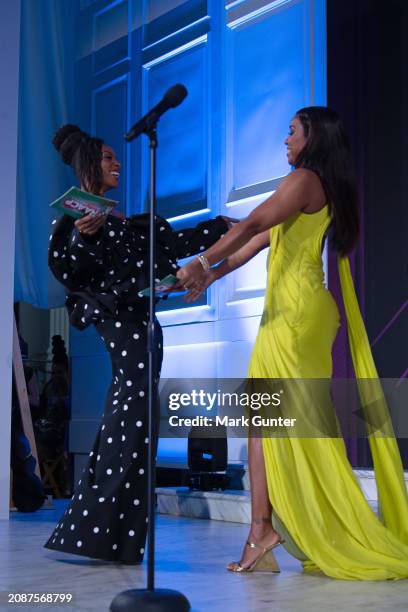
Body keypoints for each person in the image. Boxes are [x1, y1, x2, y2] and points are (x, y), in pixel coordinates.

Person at [176, 107, 408, 579]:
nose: (285, 140)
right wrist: (211, 276)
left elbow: (250, 224)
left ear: (313, 138)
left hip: (295, 317)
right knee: (261, 420)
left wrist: (200, 260)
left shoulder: (304, 180)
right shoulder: (310, 186)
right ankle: (261, 530)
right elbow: (257, 242)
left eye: (292, 132)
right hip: (294, 312)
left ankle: (268, 528)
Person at [45, 124, 231, 563]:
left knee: (141, 425)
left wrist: (223, 226)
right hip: (124, 326)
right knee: (128, 422)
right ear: (90, 164)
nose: (117, 164)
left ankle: (120, 540)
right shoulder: (79, 222)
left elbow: (177, 243)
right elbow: (77, 271)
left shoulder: (128, 223)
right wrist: (85, 237)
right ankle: (89, 531)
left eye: (116, 157)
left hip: (147, 325)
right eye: (109, 158)